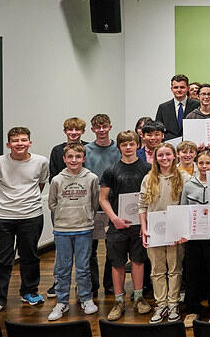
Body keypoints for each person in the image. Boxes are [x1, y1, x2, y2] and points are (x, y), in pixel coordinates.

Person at [100, 131, 153, 321]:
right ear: (119, 147)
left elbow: (151, 196)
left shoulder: (148, 168)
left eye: (131, 144)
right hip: (118, 225)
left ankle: (139, 297)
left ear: (138, 145)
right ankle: (119, 301)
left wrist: (146, 221)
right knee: (117, 263)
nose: (128, 147)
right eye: (124, 144)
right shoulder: (111, 170)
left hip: (140, 224)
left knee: (138, 261)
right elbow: (103, 198)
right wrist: (114, 219)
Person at [46, 142, 100, 320]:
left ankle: (86, 299)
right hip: (62, 230)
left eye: (78, 156)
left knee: (83, 267)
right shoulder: (57, 180)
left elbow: (94, 202)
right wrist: (64, 214)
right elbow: (52, 203)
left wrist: (85, 215)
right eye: (70, 156)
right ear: (64, 159)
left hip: (84, 229)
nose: (74, 160)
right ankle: (62, 302)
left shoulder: (92, 178)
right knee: (62, 268)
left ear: (84, 158)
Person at [139, 142, 190, 323]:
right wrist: (144, 228)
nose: (164, 158)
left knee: (175, 269)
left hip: (176, 230)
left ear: (174, 156)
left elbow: (190, 205)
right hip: (155, 230)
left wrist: (184, 230)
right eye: (160, 155)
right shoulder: (148, 178)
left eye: (168, 154)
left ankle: (173, 303)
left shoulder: (184, 177)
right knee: (157, 269)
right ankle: (161, 304)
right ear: (155, 158)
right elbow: (142, 205)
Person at [179, 151, 210, 325]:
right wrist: (184, 232)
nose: (204, 166)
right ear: (196, 164)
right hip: (193, 238)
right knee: (192, 274)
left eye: (208, 163)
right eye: (201, 163)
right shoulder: (189, 186)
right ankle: (192, 310)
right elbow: (183, 210)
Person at [84, 113, 120, 297]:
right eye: (97, 127)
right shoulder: (86, 149)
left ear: (110, 127)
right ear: (92, 129)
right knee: (89, 247)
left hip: (112, 202)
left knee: (112, 245)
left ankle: (110, 284)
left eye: (104, 126)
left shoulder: (118, 148)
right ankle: (91, 285)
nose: (101, 130)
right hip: (91, 203)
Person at [155, 74, 198, 141]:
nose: (179, 90)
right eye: (176, 87)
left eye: (182, 87)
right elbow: (157, 130)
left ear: (188, 88)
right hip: (169, 144)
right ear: (171, 89)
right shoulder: (163, 108)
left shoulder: (197, 105)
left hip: (191, 143)